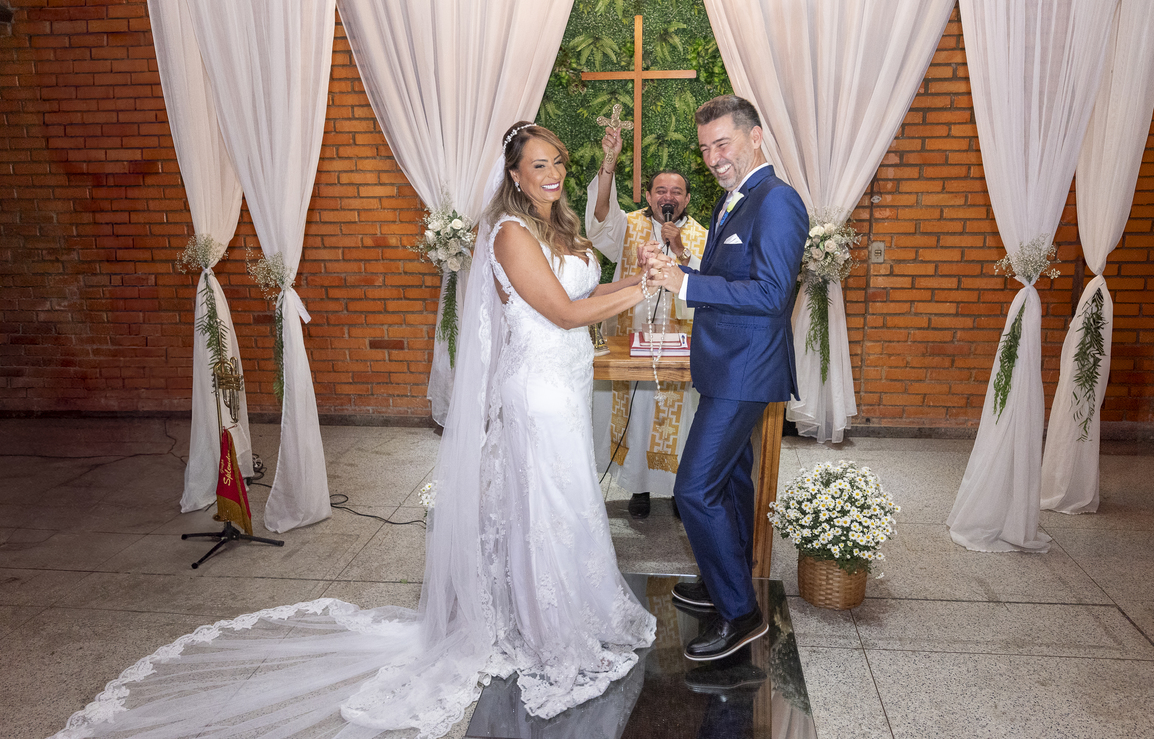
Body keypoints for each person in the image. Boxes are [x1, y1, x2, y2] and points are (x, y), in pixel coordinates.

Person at [52, 122, 658, 739]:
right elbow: (563, 312)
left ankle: (576, 608)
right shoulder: (508, 234)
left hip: (566, 384)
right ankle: (546, 626)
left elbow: (585, 288)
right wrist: (644, 285)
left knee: (569, 500)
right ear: (514, 175)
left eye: (557, 162)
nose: (552, 174)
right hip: (535, 394)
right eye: (538, 166)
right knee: (545, 505)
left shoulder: (556, 224)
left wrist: (632, 280)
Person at [648, 95, 808, 662]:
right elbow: (725, 280)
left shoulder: (777, 201)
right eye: (706, 147)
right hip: (722, 365)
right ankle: (726, 582)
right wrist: (678, 272)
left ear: (756, 137)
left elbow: (769, 295)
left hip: (746, 370)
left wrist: (686, 287)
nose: (713, 157)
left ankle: (741, 614)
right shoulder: (730, 203)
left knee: (694, 488)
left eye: (724, 143)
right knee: (732, 483)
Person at [586, 126, 708, 519]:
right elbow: (600, 215)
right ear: (650, 196)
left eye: (675, 192)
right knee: (636, 413)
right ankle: (637, 487)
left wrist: (680, 250)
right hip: (630, 338)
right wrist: (609, 163)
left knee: (681, 418)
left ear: (687, 198)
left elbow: (710, 282)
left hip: (679, 345)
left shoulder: (703, 235)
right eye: (660, 191)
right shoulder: (629, 224)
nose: (667, 198)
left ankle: (677, 489)